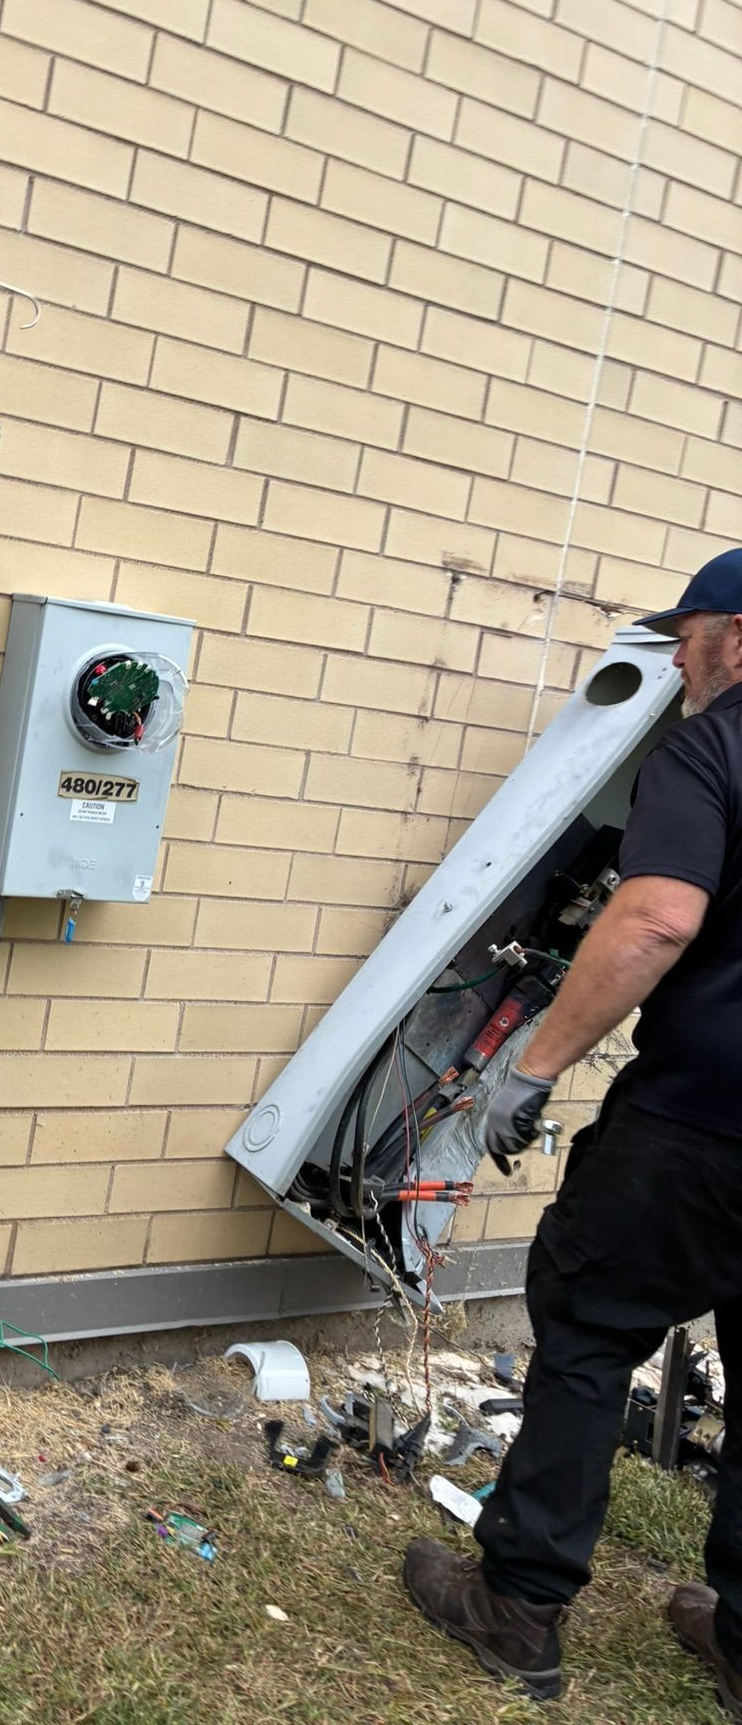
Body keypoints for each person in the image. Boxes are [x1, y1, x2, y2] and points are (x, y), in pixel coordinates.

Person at [402, 549, 742, 1712]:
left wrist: (530, 1067)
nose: (680, 662)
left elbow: (651, 918)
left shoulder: (715, 744)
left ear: (735, 637)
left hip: (703, 1125)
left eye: (689, 637)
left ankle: (520, 1606)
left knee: (591, 1336)